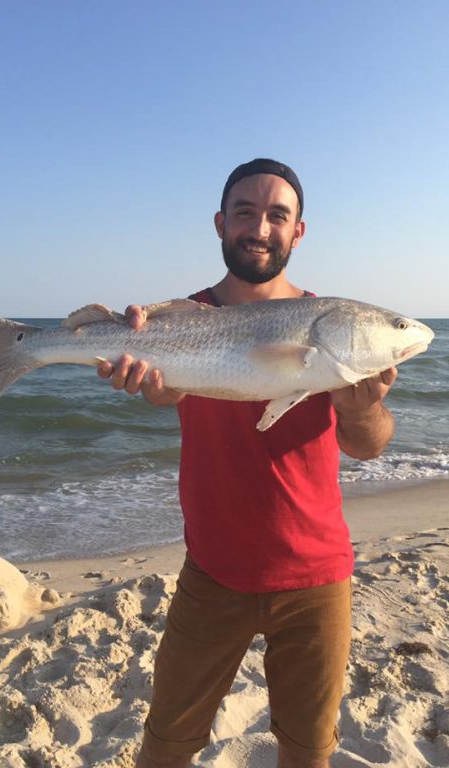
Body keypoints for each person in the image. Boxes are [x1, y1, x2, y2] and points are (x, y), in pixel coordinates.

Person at [97, 158, 397, 768]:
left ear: (298, 231)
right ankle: (19, 349)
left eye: (277, 216)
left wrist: (359, 406)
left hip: (318, 577)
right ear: (220, 223)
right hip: (212, 572)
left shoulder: (332, 328)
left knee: (307, 753)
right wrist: (158, 385)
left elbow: (368, 445)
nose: (260, 228)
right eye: (245, 213)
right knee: (164, 749)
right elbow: (168, 382)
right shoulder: (178, 318)